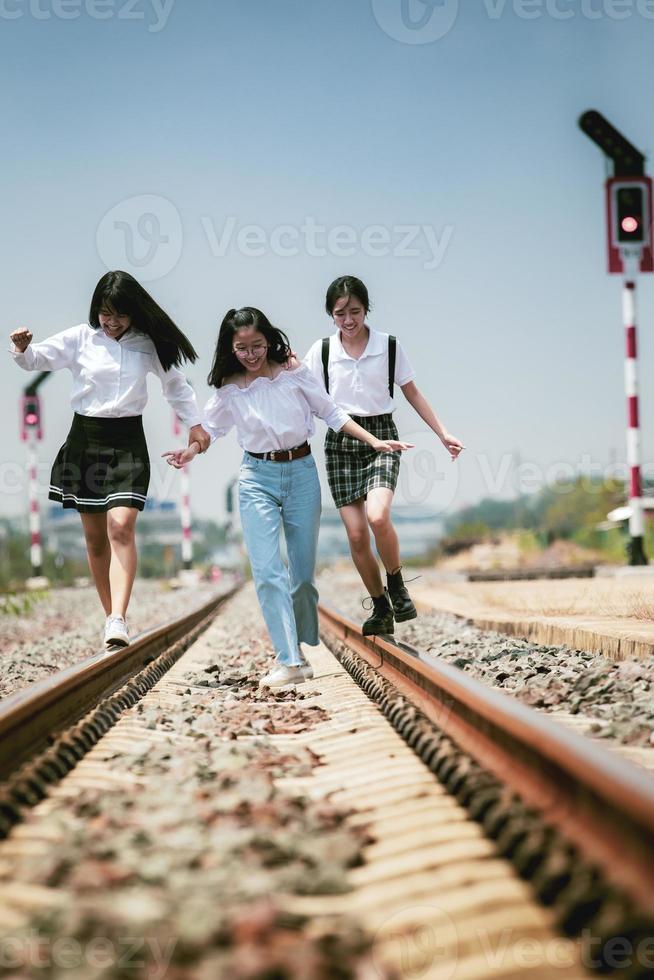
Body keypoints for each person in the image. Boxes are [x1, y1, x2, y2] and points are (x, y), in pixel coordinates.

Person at [163, 307, 412, 688]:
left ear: (269, 339)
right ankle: (290, 660)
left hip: (300, 474)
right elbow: (209, 430)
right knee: (266, 572)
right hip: (255, 477)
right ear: (230, 348)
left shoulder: (293, 373)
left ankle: (301, 645)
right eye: (242, 348)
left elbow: (330, 411)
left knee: (302, 578)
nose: (251, 354)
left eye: (257, 345)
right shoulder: (228, 387)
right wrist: (191, 451)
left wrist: (374, 440)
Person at [9, 271, 209, 648]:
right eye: (105, 313)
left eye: (119, 314)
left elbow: (175, 387)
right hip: (85, 439)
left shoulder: (147, 345)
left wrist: (195, 425)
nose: (112, 321)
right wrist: (23, 348)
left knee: (121, 526)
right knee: (95, 539)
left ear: (134, 313)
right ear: (96, 310)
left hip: (128, 442)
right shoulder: (80, 338)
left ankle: (118, 614)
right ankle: (110, 620)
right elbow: (38, 359)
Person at [303, 275, 464, 636]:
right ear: (331, 315)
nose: (348, 320)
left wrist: (443, 434)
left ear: (366, 309)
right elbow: (307, 395)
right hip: (341, 442)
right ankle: (380, 607)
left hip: (384, 439)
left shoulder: (388, 346)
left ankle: (396, 584)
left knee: (378, 516)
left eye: (355, 311)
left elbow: (413, 393)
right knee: (357, 535)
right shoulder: (323, 351)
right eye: (340, 313)